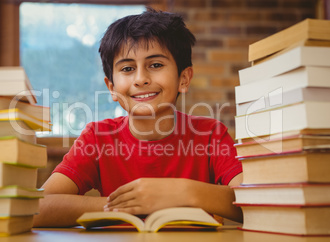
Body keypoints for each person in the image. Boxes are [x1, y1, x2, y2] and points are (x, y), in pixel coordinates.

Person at [33, 8, 243, 228]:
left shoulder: (210, 135)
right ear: (112, 88)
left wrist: (183, 192)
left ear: (183, 78)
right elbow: (38, 208)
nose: (141, 79)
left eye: (155, 65)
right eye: (127, 68)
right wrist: (129, 205)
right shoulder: (97, 138)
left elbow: (258, 203)